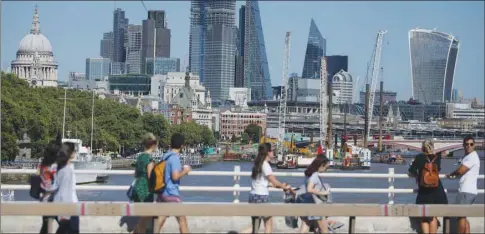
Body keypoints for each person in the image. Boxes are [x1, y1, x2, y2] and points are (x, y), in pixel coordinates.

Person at [247, 143, 291, 234]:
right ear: (268, 152)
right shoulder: (266, 165)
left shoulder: (258, 164)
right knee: (268, 223)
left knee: (255, 227)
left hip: (253, 196)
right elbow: (274, 181)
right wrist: (284, 186)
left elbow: (263, 182)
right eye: (272, 150)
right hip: (261, 197)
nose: (273, 152)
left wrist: (277, 185)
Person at [408, 139, 448, 234]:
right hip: (437, 190)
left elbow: (412, 171)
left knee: (424, 217)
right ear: (432, 147)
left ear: (422, 148)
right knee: (433, 217)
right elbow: (438, 170)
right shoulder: (437, 157)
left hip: (424, 190)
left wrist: (418, 175)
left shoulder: (419, 157)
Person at [154, 133, 192, 233]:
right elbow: (175, 176)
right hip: (171, 194)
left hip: (162, 192)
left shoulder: (165, 156)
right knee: (182, 220)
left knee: (160, 220)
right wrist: (185, 171)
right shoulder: (174, 158)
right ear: (182, 145)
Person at [446, 135, 480, 234]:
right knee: (463, 216)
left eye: (471, 144)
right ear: (463, 145)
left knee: (460, 216)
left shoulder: (472, 156)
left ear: (474, 145)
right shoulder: (467, 157)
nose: (469, 146)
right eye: (466, 144)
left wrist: (451, 174)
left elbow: (461, 170)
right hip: (467, 191)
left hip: (467, 191)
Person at [296, 155, 331, 233]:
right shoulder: (314, 175)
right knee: (324, 230)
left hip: (306, 202)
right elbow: (309, 189)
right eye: (326, 167)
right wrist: (323, 192)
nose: (326, 170)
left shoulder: (308, 173)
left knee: (306, 226)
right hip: (314, 204)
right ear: (322, 165)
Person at [131, 133, 157, 234]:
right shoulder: (150, 159)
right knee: (145, 217)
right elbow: (150, 176)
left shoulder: (140, 157)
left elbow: (136, 174)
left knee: (140, 215)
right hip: (145, 189)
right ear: (153, 145)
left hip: (137, 186)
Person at [53, 142, 79, 234]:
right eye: (75, 151)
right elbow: (65, 191)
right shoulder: (67, 169)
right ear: (70, 153)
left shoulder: (58, 167)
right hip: (69, 207)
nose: (76, 153)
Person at [39, 138, 62, 234]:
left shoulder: (42, 165)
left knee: (45, 227)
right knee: (66, 226)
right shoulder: (55, 167)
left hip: (45, 200)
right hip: (55, 201)